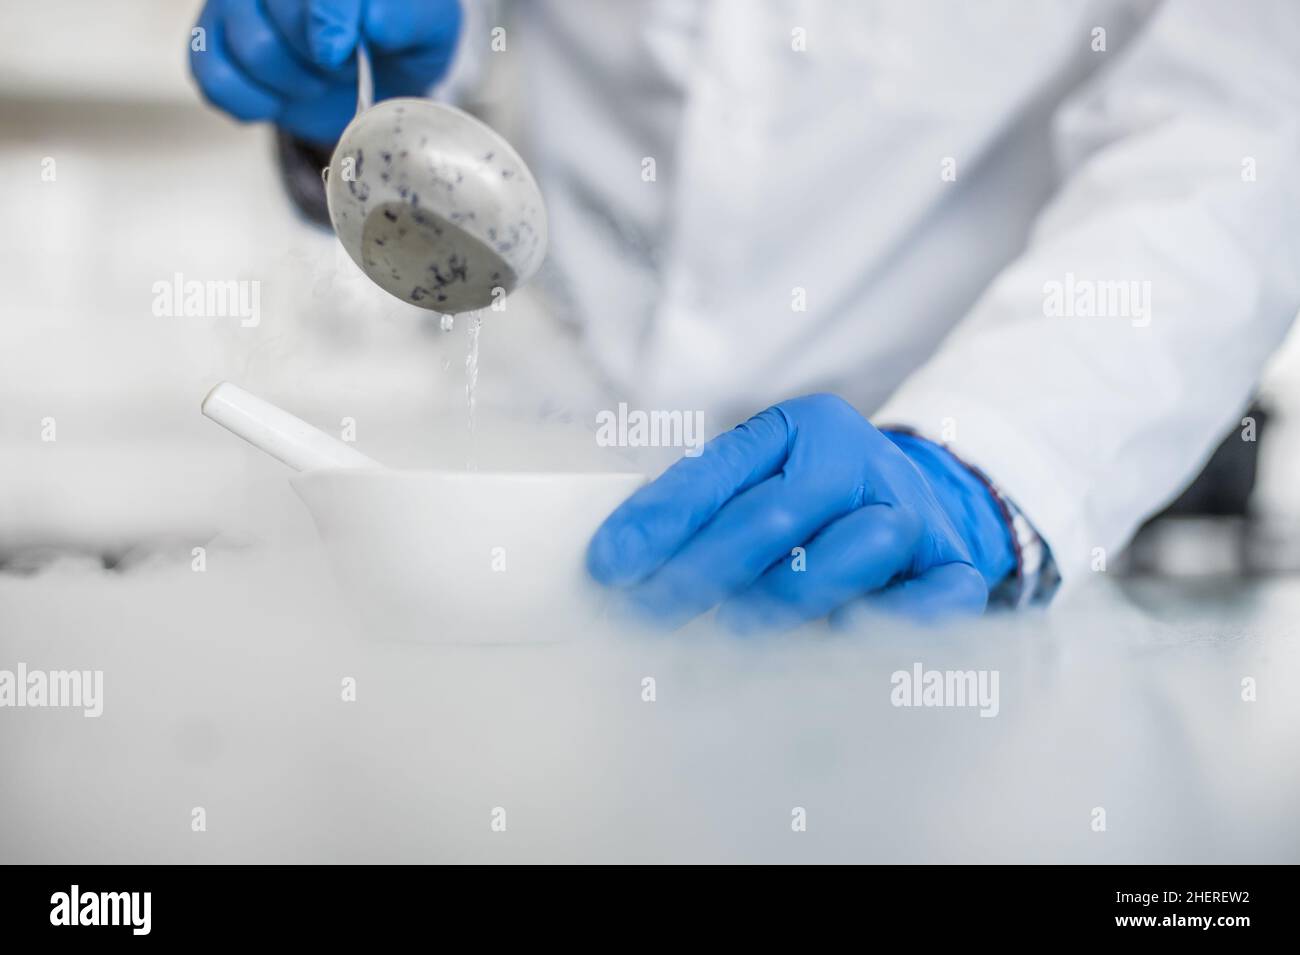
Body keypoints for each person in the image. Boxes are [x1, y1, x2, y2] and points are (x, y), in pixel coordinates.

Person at [189, 0, 1300, 630]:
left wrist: (997, 453)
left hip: (925, 489)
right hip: (536, 419)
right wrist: (384, 63)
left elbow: (1243, 118)